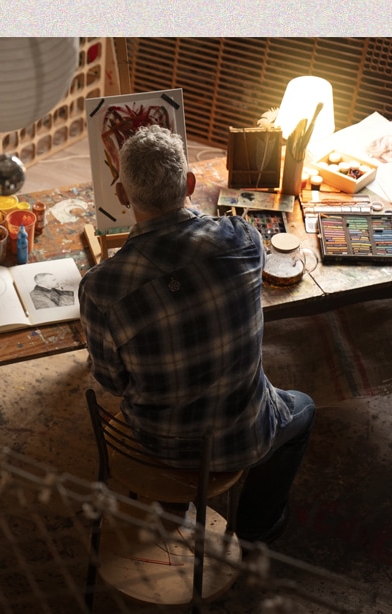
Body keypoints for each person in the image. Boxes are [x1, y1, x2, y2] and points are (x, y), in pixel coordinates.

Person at [77, 125, 315, 543]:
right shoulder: (242, 239)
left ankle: (172, 504)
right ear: (189, 183)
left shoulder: (101, 289)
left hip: (155, 445)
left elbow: (111, 382)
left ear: (122, 196)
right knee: (305, 408)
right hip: (243, 434)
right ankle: (259, 528)